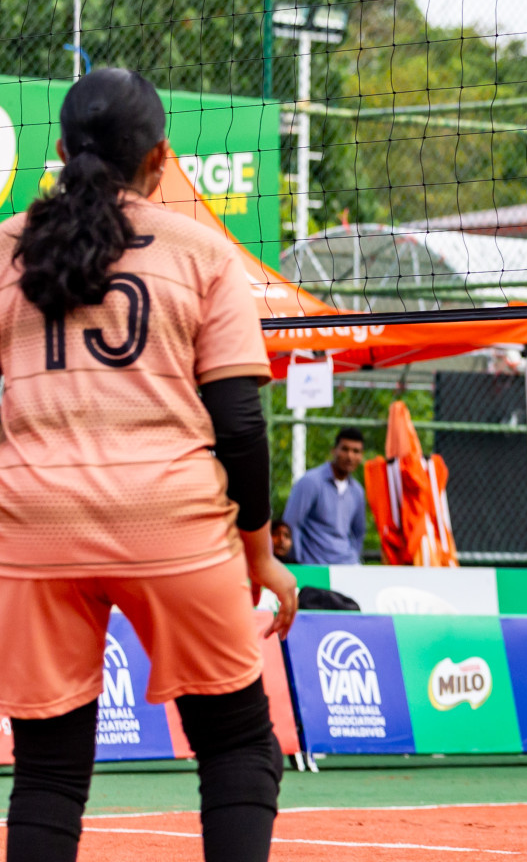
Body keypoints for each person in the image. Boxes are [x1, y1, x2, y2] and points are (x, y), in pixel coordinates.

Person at [0, 68, 297, 862]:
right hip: (171, 523)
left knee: (47, 775)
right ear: (161, 158)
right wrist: (260, 556)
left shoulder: (7, 248)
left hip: (33, 532)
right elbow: (238, 423)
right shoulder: (204, 253)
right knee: (239, 747)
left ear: (60, 152)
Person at [284, 427, 367, 565]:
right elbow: (291, 523)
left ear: (361, 456)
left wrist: (354, 557)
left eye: (356, 451)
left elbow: (359, 532)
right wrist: (298, 561)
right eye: (345, 449)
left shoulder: (357, 491)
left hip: (347, 565)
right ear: (334, 451)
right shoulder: (311, 481)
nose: (350, 456)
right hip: (315, 565)